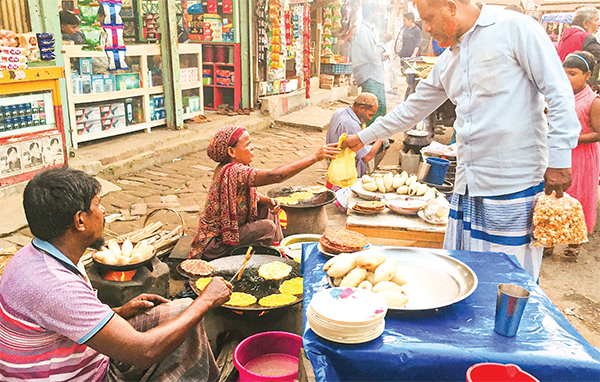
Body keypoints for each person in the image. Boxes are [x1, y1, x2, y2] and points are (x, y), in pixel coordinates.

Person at [343, 0, 580, 282]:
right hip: (468, 186)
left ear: (451, 7)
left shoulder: (515, 29)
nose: (427, 30)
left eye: (429, 19)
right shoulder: (448, 59)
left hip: (512, 182)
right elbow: (413, 108)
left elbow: (559, 91)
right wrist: (364, 136)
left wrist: (559, 158)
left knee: (509, 279)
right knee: (465, 273)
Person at [0, 167, 232, 381]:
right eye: (97, 204)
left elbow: (61, 319)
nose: (103, 211)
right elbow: (144, 351)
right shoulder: (56, 285)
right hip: (84, 376)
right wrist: (206, 300)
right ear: (80, 220)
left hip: (74, 356)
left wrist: (117, 312)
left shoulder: (36, 254)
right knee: (187, 321)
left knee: (181, 309)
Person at [189, 125, 339, 260]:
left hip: (229, 232)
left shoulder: (231, 168)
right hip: (215, 244)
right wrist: (314, 157)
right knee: (268, 227)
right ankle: (264, 258)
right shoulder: (232, 171)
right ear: (231, 151)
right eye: (247, 145)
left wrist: (266, 200)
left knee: (267, 209)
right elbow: (276, 176)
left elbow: (241, 196)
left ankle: (278, 249)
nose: (252, 148)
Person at [561, 51, 600, 257]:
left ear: (587, 75)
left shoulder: (593, 101)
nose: (567, 78)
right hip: (562, 152)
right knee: (557, 195)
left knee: (579, 197)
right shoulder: (560, 96)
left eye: (573, 73)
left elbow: (598, 133)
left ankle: (574, 243)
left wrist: (574, 138)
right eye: (564, 72)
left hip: (583, 156)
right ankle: (551, 237)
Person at [326, 93, 386, 178]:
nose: (370, 119)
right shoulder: (351, 124)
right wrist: (381, 136)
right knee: (384, 143)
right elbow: (366, 157)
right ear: (361, 108)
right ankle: (367, 174)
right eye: (370, 115)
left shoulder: (339, 112)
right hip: (345, 171)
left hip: (333, 163)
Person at [352, 2, 389, 126]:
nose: (378, 14)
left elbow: (372, 55)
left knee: (381, 106)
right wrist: (383, 42)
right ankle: (372, 139)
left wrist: (381, 57)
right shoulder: (363, 31)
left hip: (374, 74)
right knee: (372, 109)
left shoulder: (370, 29)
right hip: (369, 75)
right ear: (370, 13)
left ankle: (380, 137)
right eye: (377, 11)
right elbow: (373, 56)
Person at [556, 7, 600, 87]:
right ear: (586, 23)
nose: (598, 23)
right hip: (576, 86)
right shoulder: (585, 38)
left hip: (561, 82)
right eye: (596, 20)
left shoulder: (566, 35)